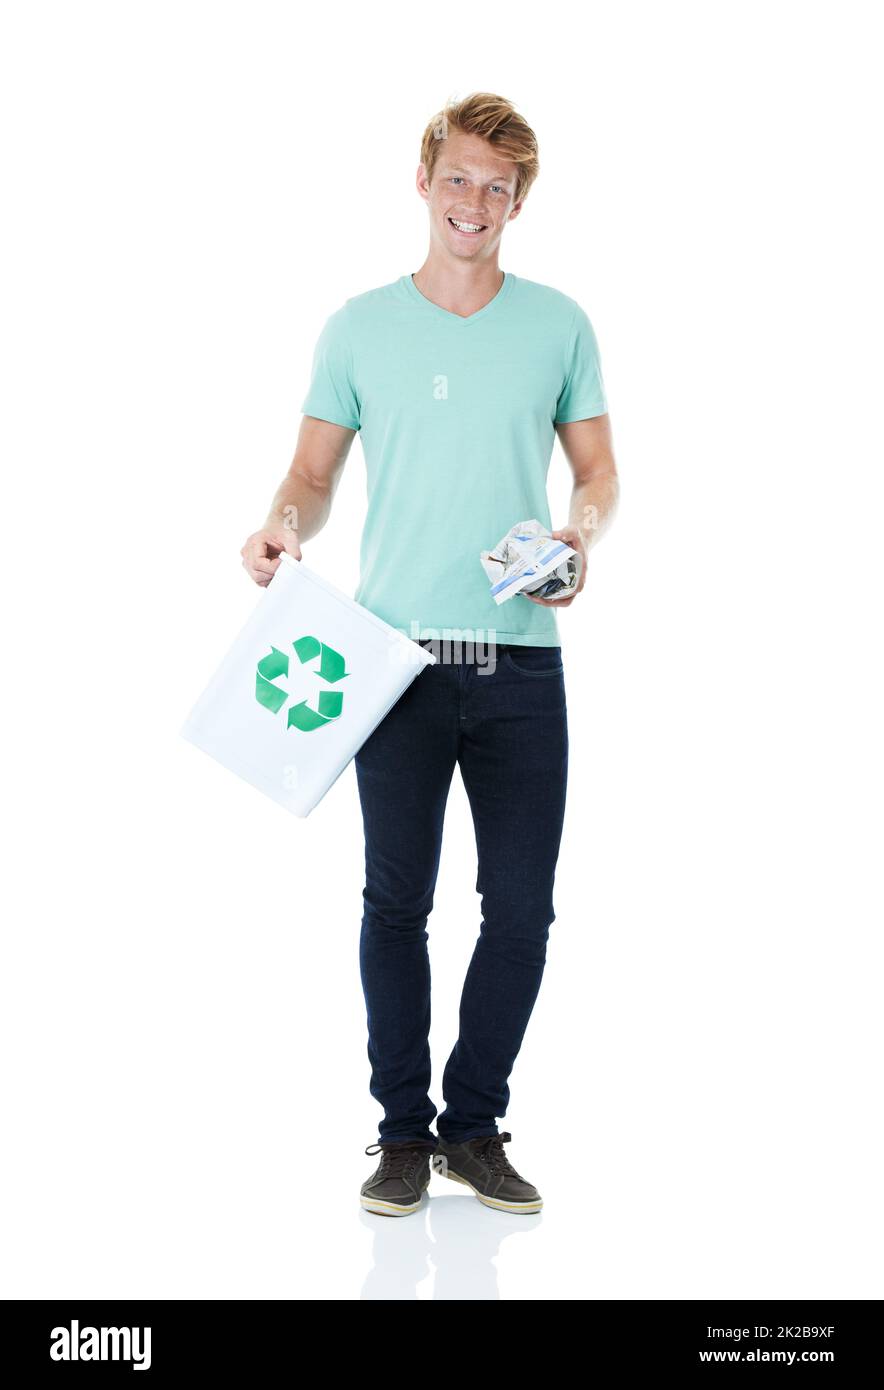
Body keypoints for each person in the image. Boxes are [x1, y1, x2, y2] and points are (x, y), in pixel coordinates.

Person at [240, 92, 619, 1217]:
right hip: (391, 662)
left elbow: (596, 478)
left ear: (518, 201)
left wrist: (576, 534)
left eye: (497, 187)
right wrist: (280, 526)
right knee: (393, 901)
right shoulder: (359, 326)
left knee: (520, 909)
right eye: (458, 178)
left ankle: (474, 1125)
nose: (475, 202)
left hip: (519, 661)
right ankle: (401, 1134)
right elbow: (309, 477)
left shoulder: (558, 325)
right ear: (424, 182)